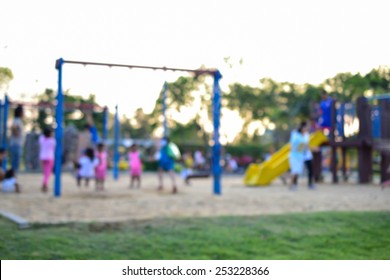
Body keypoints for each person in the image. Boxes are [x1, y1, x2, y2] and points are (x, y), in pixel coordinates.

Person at [289, 121, 309, 191]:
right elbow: (292, 145)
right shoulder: (296, 135)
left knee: (297, 171)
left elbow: (305, 146)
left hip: (300, 156)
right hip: (294, 155)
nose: (307, 128)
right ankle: (291, 185)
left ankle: (293, 184)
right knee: (294, 171)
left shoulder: (304, 135)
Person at [39, 127, 56, 192]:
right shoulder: (52, 141)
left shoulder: (41, 139)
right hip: (49, 157)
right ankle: (45, 184)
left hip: (42, 156)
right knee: (48, 172)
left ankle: (45, 183)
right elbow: (54, 148)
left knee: (45, 171)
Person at [9, 105, 24, 173]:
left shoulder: (17, 120)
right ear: (20, 112)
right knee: (15, 162)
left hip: (16, 144)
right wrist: (16, 133)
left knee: (15, 162)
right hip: (16, 144)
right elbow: (14, 127)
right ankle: (13, 178)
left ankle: (13, 178)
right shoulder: (17, 120)